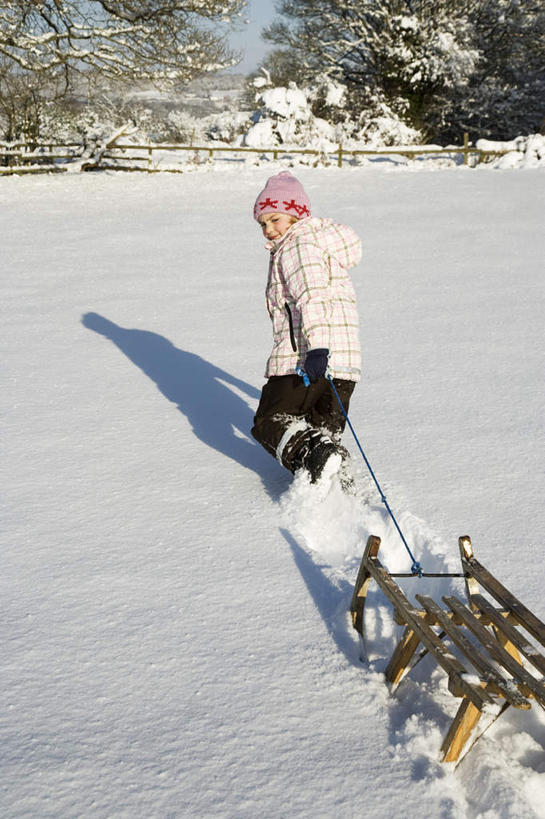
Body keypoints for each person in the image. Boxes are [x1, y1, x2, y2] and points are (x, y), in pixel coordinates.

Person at [251, 170, 362, 485]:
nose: (269, 230)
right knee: (324, 434)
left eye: (275, 219)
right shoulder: (318, 243)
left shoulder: (297, 245)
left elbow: (311, 297)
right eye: (263, 223)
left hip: (306, 360)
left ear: (296, 215)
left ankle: (318, 458)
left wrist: (318, 349)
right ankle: (338, 492)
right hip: (343, 366)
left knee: (270, 421)